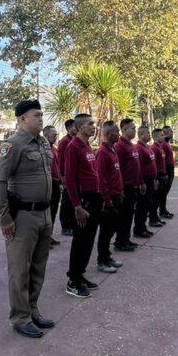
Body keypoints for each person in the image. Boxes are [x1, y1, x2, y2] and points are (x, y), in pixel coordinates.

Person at [0, 100, 56, 338]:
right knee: (20, 270)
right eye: (36, 115)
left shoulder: (42, 143)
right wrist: (5, 218)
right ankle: (20, 318)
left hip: (44, 213)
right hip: (23, 217)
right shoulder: (12, 145)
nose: (41, 118)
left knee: (38, 266)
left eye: (41, 115)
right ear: (22, 119)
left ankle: (33, 309)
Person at [62, 113, 103, 297]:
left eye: (93, 123)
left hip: (93, 198)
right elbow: (70, 179)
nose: (93, 127)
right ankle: (73, 280)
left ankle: (80, 274)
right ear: (79, 127)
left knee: (88, 239)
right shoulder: (74, 147)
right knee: (80, 240)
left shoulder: (86, 145)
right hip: (83, 200)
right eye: (89, 124)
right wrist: (77, 205)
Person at [95, 120, 129, 270]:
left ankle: (107, 256)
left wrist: (120, 192)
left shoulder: (112, 150)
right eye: (116, 131)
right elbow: (101, 179)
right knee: (106, 231)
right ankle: (102, 260)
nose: (119, 134)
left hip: (117, 196)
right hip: (109, 200)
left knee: (113, 228)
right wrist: (107, 200)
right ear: (109, 134)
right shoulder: (102, 153)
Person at [114, 118, 145, 248]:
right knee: (123, 216)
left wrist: (140, 182)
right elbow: (118, 169)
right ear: (124, 129)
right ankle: (120, 241)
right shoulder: (120, 147)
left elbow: (136, 167)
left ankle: (126, 239)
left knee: (128, 215)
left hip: (133, 186)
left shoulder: (131, 145)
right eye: (132, 128)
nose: (134, 131)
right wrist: (120, 189)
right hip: (125, 188)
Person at [134, 127, 158, 237]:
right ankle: (139, 229)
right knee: (141, 206)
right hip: (144, 181)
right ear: (142, 135)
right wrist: (141, 182)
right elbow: (138, 168)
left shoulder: (147, 147)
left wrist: (154, 179)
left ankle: (143, 227)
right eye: (147, 133)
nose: (149, 135)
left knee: (147, 205)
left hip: (150, 180)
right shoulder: (139, 148)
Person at [42, 125, 62, 247]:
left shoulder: (54, 149)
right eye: (53, 135)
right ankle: (44, 240)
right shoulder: (43, 149)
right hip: (48, 183)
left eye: (56, 135)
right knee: (47, 213)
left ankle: (49, 236)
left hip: (56, 183)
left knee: (53, 211)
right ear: (46, 135)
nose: (55, 137)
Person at [56, 119, 77, 236]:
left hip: (75, 177)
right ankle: (66, 226)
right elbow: (61, 160)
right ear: (69, 129)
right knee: (67, 202)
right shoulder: (64, 141)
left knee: (73, 202)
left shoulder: (75, 140)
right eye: (74, 127)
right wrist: (63, 176)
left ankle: (72, 224)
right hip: (66, 177)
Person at [149, 128, 168, 228]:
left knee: (159, 198)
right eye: (161, 135)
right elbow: (154, 165)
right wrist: (156, 178)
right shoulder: (154, 149)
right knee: (155, 199)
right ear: (155, 137)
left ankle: (156, 218)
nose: (163, 136)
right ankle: (152, 219)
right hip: (158, 176)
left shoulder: (160, 148)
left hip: (162, 175)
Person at [158, 126, 177, 219]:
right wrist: (164, 172)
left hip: (170, 168)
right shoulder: (164, 144)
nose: (172, 133)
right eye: (170, 131)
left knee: (165, 191)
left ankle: (163, 209)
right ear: (166, 133)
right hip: (167, 169)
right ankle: (162, 210)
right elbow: (162, 159)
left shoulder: (167, 143)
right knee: (164, 191)